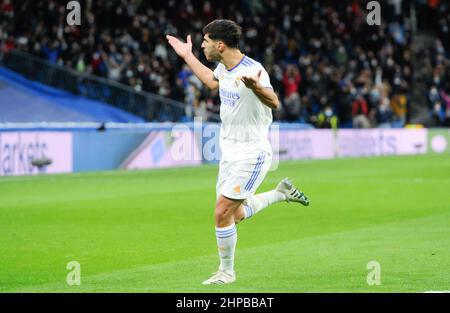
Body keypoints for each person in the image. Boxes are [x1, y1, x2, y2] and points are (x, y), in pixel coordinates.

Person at [166, 19, 310, 285]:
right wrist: (187, 56)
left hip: (252, 153)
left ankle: (226, 272)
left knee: (221, 211)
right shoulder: (223, 67)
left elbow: (274, 101)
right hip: (229, 153)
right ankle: (280, 194)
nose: (202, 45)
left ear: (220, 44)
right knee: (235, 214)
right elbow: (211, 81)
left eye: (205, 41)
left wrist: (255, 87)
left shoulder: (254, 70)